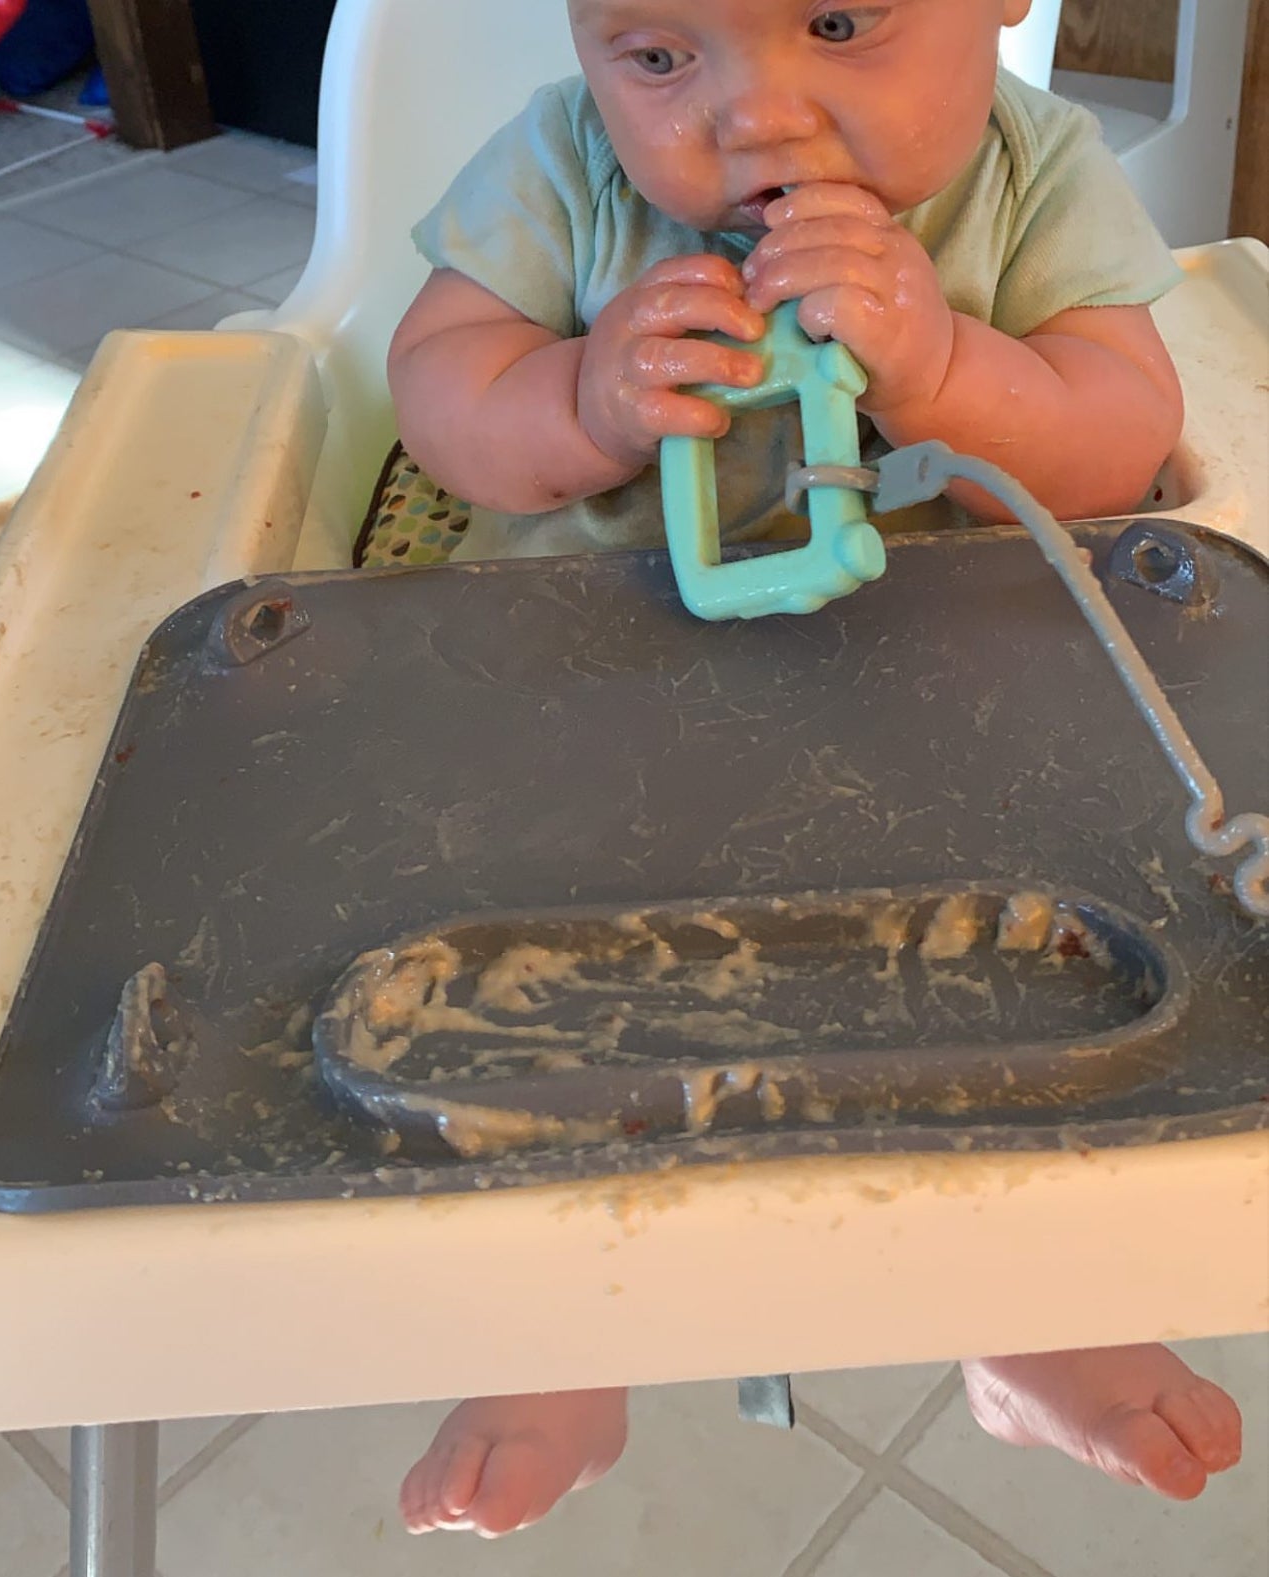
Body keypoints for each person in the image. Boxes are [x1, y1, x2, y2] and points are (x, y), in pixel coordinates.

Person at [387, 0, 1241, 1536]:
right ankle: (562, 1326)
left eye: (837, 21)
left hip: (945, 704)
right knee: (538, 1001)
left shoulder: (1035, 174)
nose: (751, 116)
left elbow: (1122, 436)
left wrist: (943, 364)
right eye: (658, 57)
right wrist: (572, 398)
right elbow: (438, 388)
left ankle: (1021, 1307)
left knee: (1016, 991)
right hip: (597, 704)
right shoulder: (562, 166)